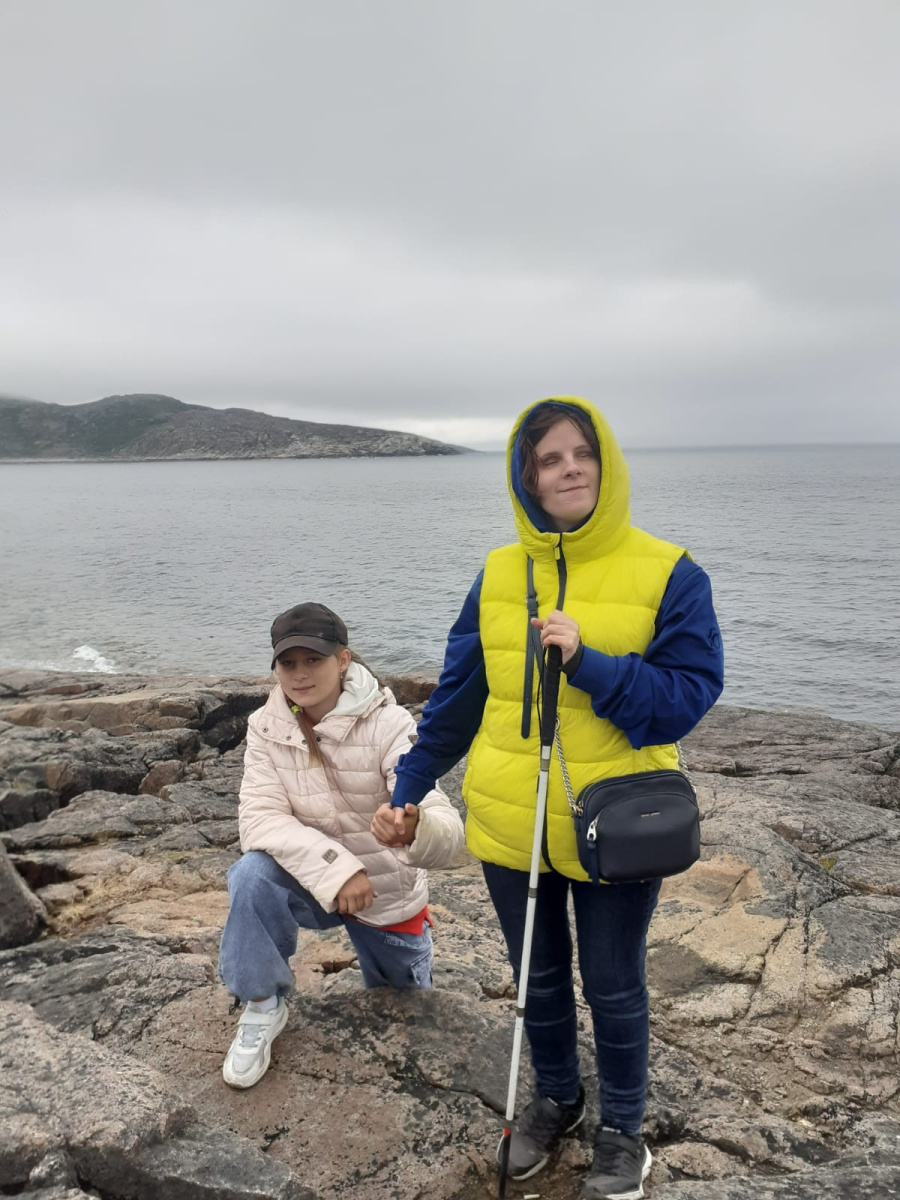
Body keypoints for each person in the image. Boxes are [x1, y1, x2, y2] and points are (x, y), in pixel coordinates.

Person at [390, 397, 724, 1200]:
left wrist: (589, 664)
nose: (569, 468)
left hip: (618, 823)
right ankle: (558, 1099)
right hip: (513, 817)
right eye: (549, 459)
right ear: (528, 478)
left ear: (605, 464)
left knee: (613, 984)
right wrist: (409, 785)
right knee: (536, 978)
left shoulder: (671, 571)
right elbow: (459, 698)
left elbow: (687, 698)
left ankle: (624, 1132)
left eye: (582, 453)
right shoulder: (499, 576)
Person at [218, 601, 464, 1089]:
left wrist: (414, 828)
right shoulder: (266, 727)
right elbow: (260, 818)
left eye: (314, 659)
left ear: (343, 659)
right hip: (314, 884)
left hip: (384, 896)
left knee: (408, 1019)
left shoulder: (389, 724)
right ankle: (263, 1004)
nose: (300, 674)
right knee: (251, 875)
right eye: (288, 663)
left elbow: (445, 825)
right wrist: (337, 869)